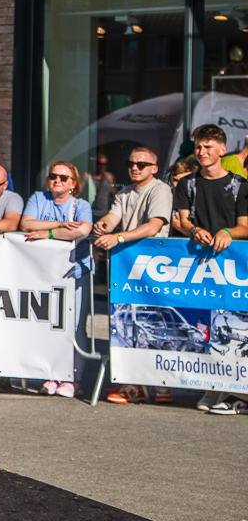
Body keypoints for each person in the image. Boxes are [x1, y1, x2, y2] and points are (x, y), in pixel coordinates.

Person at [170, 124, 248, 415]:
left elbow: (244, 227)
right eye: (198, 147)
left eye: (208, 147)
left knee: (232, 326)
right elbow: (183, 221)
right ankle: (212, 387)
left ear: (222, 150)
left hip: (232, 265)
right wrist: (193, 230)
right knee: (204, 324)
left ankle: (232, 389)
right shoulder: (187, 184)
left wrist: (227, 232)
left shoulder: (240, 185)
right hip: (198, 264)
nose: (202, 152)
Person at [22, 160, 95, 398]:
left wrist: (49, 233)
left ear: (73, 184)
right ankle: (52, 374)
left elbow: (83, 229)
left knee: (76, 327)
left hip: (76, 270)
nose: (57, 180)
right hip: (45, 271)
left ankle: (74, 378)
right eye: (53, 176)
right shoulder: (38, 198)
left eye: (63, 178)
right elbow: (26, 223)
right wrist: (61, 224)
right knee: (51, 323)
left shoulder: (81, 205)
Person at [91, 144, 171, 250]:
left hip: (151, 252)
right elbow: (112, 218)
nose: (134, 168)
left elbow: (153, 228)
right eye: (130, 164)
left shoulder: (160, 189)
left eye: (141, 165)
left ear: (154, 169)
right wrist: (103, 225)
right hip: (128, 253)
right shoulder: (125, 191)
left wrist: (118, 238)